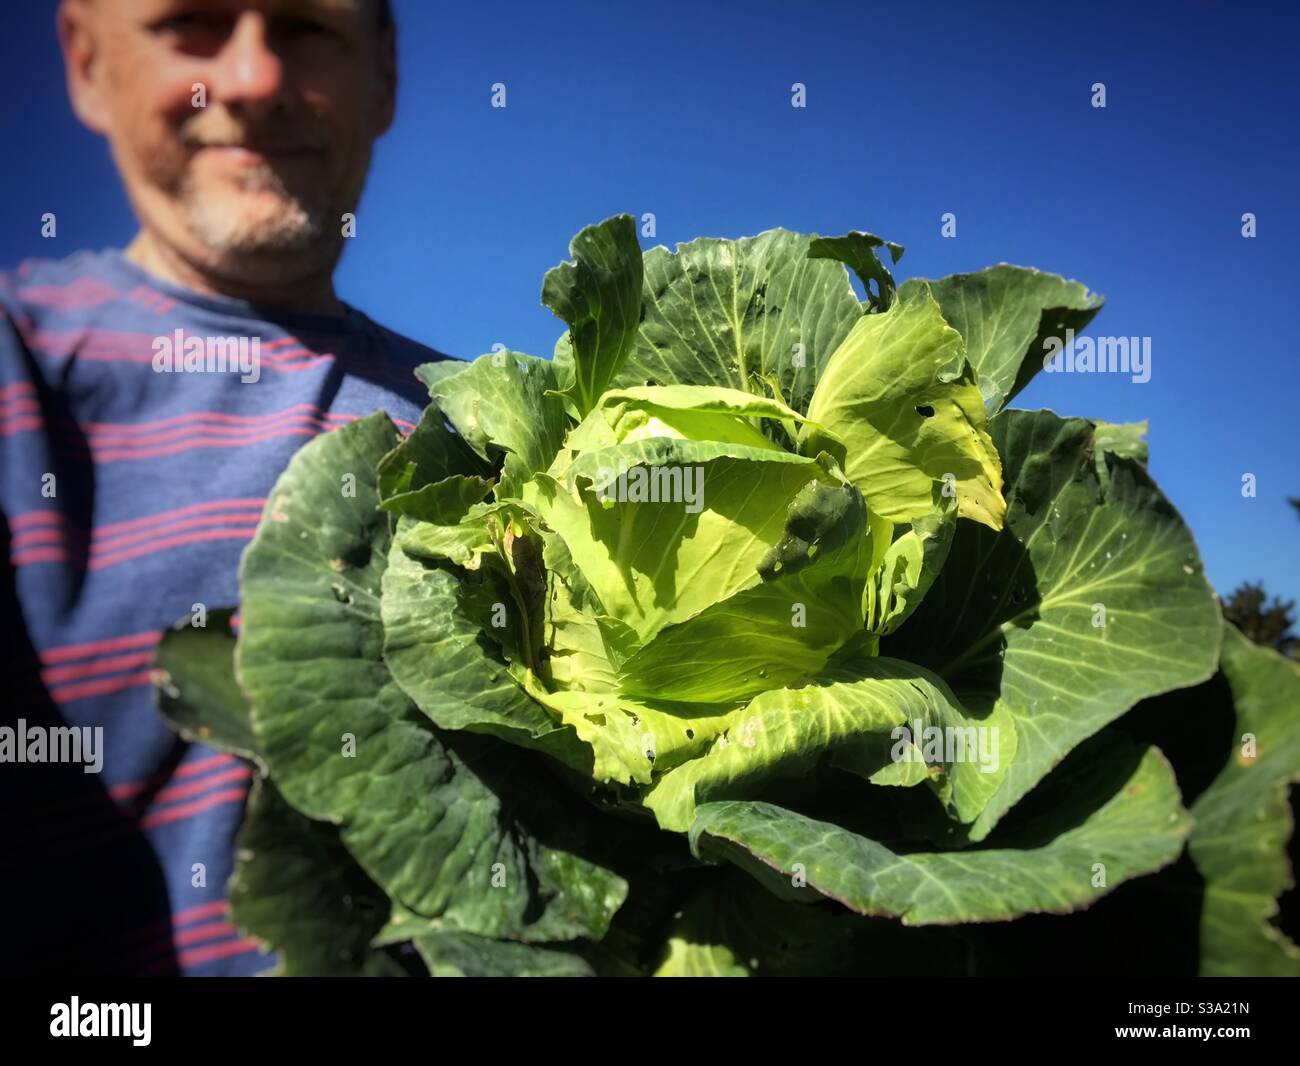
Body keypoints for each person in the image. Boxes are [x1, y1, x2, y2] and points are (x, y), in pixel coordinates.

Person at [0, 0, 446, 975]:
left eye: (307, 28)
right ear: (85, 62)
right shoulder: (15, 373)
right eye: (192, 23)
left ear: (385, 76)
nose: (251, 79)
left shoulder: (505, 423)